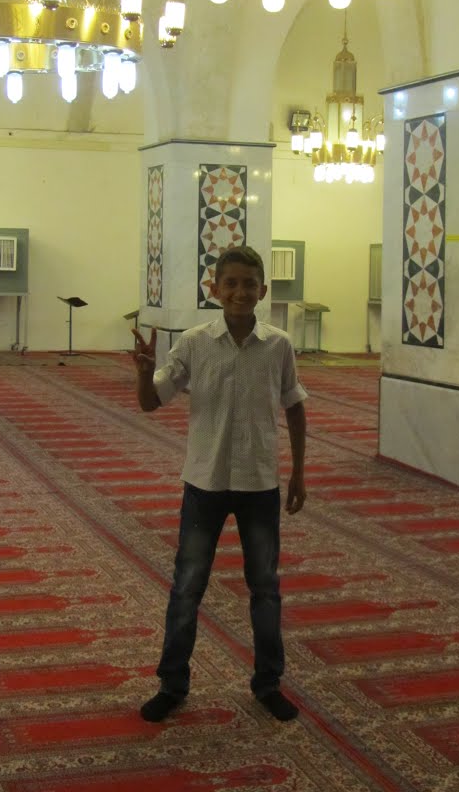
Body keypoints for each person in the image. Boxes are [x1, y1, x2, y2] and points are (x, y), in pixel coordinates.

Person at [131, 244, 307, 724]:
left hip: (259, 484)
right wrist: (145, 374)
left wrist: (299, 471)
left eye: (249, 284)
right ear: (214, 289)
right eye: (230, 283)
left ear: (263, 291)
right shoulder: (193, 343)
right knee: (187, 586)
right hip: (204, 483)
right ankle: (172, 684)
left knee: (265, 588)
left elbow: (294, 406)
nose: (240, 292)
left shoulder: (278, 345)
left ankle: (268, 683)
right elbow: (153, 402)